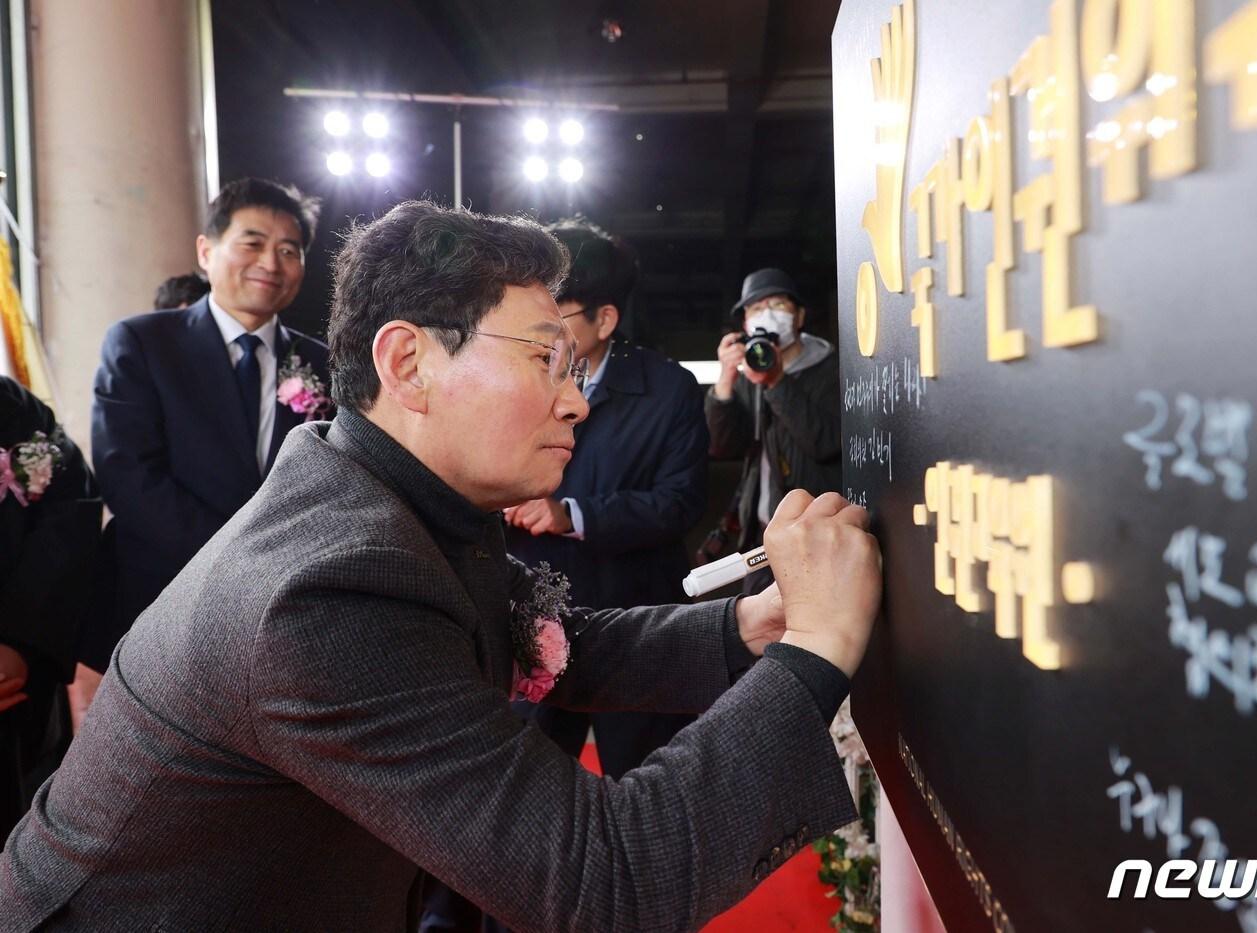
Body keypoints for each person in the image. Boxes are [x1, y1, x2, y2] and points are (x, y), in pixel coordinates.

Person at [0, 202, 881, 932]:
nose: (577, 397)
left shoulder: (381, 485)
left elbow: (540, 641)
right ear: (407, 362)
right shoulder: (329, 590)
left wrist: (749, 625)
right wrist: (818, 648)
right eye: (546, 357)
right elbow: (608, 876)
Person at [88, 178, 329, 662]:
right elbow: (128, 476)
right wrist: (244, 563)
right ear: (206, 251)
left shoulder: (324, 365)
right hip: (165, 600)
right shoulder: (143, 343)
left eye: (289, 250)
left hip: (287, 613)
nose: (270, 263)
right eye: (253, 243)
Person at [504, 218, 708, 777]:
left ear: (606, 318)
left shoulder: (669, 390)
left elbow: (680, 501)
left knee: (647, 779)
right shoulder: (511, 376)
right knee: (527, 788)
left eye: (558, 314)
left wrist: (572, 513)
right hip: (534, 616)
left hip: (635, 615)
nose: (539, 330)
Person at [0, 377, 102, 836]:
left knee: (24, 837)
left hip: (14, 675)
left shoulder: (12, 407)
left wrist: (18, 643)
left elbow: (72, 505)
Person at [705, 268, 842, 593]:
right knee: (759, 628)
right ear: (745, 325)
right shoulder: (750, 372)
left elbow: (824, 442)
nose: (767, 314)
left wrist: (777, 382)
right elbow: (724, 446)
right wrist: (725, 380)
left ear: (800, 316)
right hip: (762, 530)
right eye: (756, 308)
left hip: (817, 531)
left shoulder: (833, 367)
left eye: (778, 305)